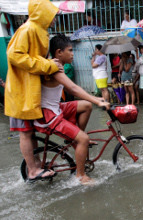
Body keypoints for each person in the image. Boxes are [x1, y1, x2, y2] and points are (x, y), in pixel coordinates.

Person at [35, 34, 109, 185]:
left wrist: (94, 100)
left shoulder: (57, 65)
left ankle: (74, 139)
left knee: (86, 105)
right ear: (59, 52)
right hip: (48, 115)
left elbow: (76, 91)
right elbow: (73, 89)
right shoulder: (53, 67)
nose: (73, 53)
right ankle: (80, 176)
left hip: (57, 108)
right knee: (84, 138)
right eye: (70, 50)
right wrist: (97, 100)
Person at [5, 0, 62, 182]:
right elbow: (14, 55)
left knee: (30, 132)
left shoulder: (40, 31)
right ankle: (32, 170)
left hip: (31, 91)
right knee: (25, 132)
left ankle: (37, 166)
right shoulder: (28, 29)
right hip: (21, 92)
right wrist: (47, 65)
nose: (54, 19)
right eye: (52, 14)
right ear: (42, 13)